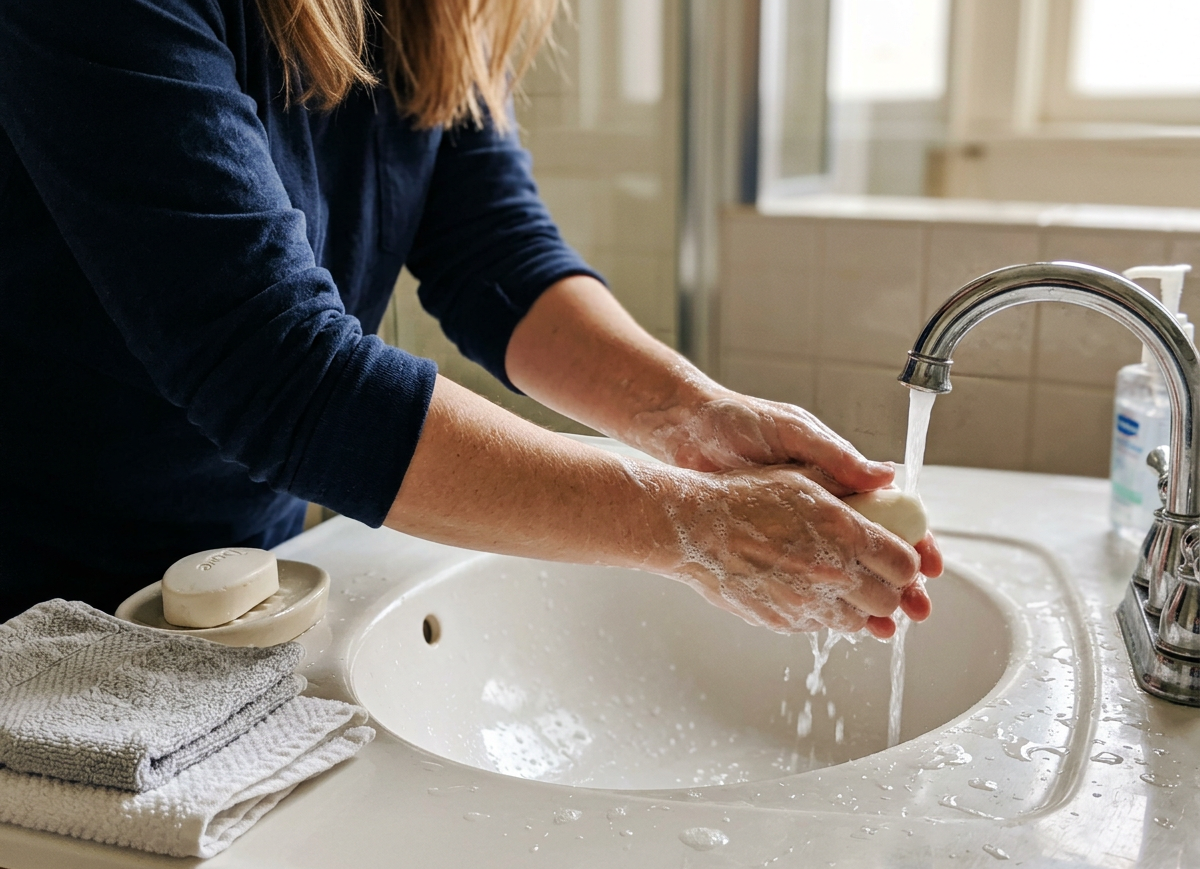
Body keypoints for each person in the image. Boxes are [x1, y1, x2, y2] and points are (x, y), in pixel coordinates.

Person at [0, 0, 939, 637]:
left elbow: (497, 258)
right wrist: (690, 526)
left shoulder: (427, 13)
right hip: (27, 591)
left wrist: (691, 415)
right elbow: (277, 368)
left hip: (242, 567)